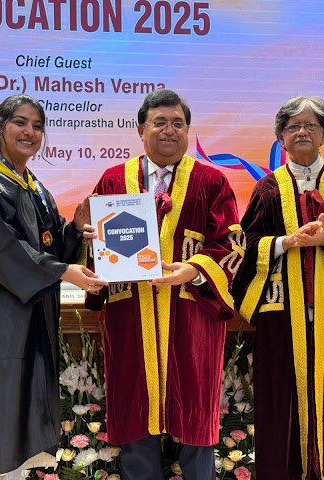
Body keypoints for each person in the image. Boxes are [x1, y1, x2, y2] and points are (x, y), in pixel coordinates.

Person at [0, 94, 107, 480]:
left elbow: (47, 244)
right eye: (20, 123)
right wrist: (63, 271)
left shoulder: (35, 187)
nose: (30, 132)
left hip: (27, 319)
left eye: (38, 126)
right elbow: (4, 249)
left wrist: (75, 229)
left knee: (19, 423)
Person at [86, 89, 241, 480]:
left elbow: (232, 244)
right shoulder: (113, 179)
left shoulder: (212, 181)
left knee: (195, 416)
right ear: (141, 129)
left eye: (178, 123)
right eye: (160, 122)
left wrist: (193, 269)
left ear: (187, 130)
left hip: (192, 316)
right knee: (135, 412)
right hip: (131, 315)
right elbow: (96, 248)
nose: (169, 130)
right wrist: (88, 241)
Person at [232, 96, 324, 480]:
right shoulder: (267, 188)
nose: (302, 132)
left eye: (311, 125)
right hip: (281, 317)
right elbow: (246, 245)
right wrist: (285, 242)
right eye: (293, 126)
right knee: (278, 407)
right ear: (280, 137)